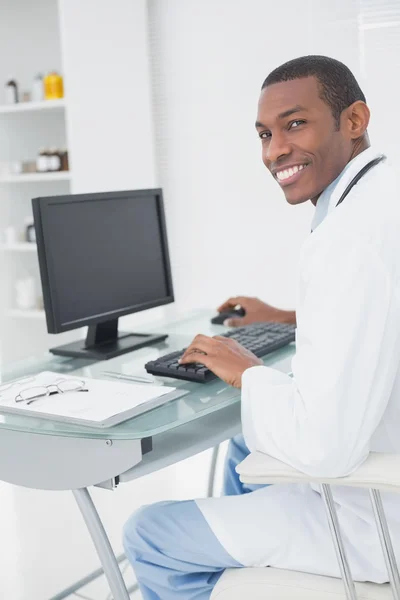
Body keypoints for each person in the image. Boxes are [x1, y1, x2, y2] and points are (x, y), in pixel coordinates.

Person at [123, 55, 400, 599]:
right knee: (242, 447)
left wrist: (248, 373)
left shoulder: (349, 239)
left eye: (295, 124)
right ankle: (244, 562)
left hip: (375, 514)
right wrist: (284, 320)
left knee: (149, 532)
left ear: (354, 120)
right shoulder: (379, 199)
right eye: (264, 134)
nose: (274, 151)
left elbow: (328, 450)